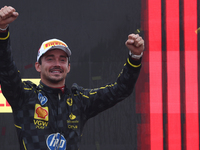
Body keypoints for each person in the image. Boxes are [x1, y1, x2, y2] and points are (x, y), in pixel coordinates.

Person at [0, 6, 144, 150]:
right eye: (50, 59)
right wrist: (2, 29)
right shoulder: (24, 96)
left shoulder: (79, 101)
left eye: (62, 60)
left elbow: (120, 90)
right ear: (38, 66)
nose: (57, 64)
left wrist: (135, 57)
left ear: (68, 67)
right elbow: (6, 67)